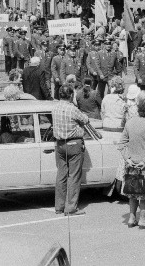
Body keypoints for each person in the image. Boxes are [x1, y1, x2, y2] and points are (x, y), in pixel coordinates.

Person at [118, 97, 145, 229]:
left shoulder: (130, 122)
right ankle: (143, 219)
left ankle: (131, 218)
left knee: (133, 192)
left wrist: (127, 158)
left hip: (131, 163)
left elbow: (122, 143)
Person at [51, 83, 89, 216]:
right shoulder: (72, 109)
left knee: (61, 175)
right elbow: (85, 119)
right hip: (73, 144)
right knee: (73, 176)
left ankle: (59, 206)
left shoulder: (54, 108)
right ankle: (71, 207)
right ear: (71, 95)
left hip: (60, 144)